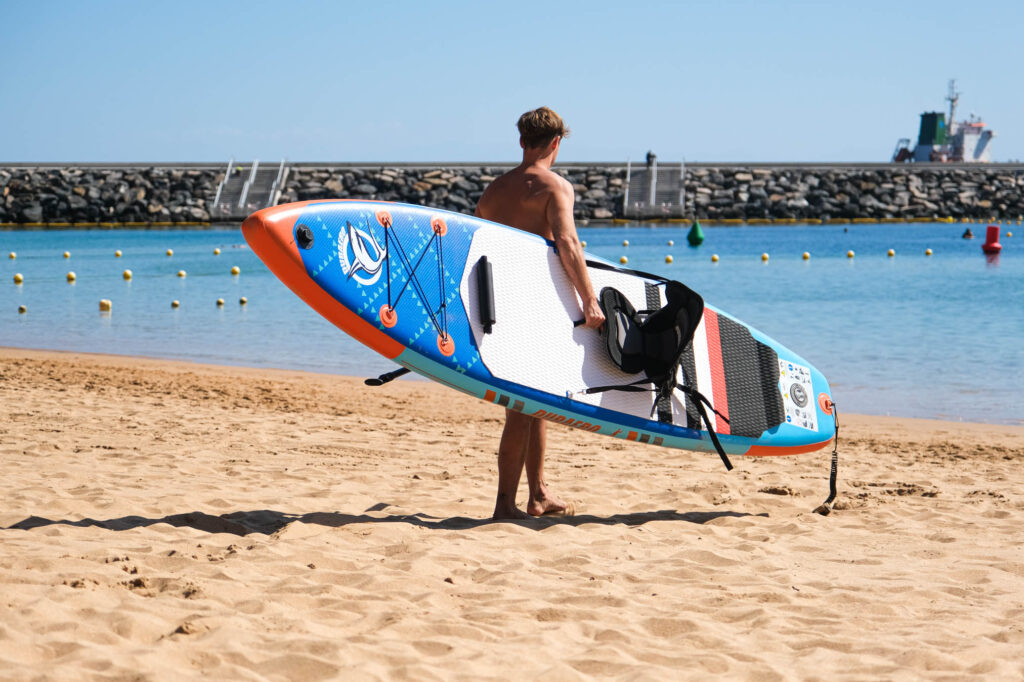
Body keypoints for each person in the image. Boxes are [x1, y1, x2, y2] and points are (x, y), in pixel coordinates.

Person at [475, 106, 605, 520]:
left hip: (497, 305)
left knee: (536, 405)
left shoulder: (492, 192)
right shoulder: (555, 187)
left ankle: (537, 494)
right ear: (555, 143)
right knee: (521, 408)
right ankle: (503, 506)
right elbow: (567, 243)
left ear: (521, 141)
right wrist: (589, 299)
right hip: (535, 309)